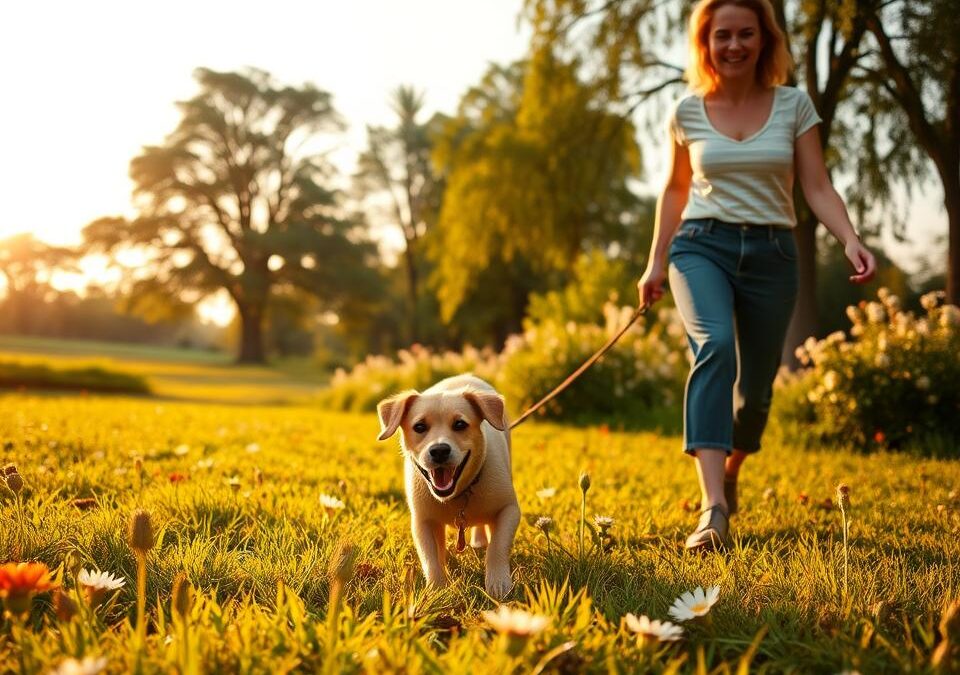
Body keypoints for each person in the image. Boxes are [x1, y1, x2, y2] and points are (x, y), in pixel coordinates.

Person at [637, 0, 876, 551]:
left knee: (757, 397)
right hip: (701, 246)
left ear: (764, 40)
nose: (735, 45)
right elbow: (675, 190)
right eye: (723, 35)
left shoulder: (794, 105)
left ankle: (731, 465)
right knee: (714, 346)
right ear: (707, 42)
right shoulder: (687, 110)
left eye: (747, 34)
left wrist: (850, 237)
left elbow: (816, 186)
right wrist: (655, 261)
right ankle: (712, 508)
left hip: (773, 252)